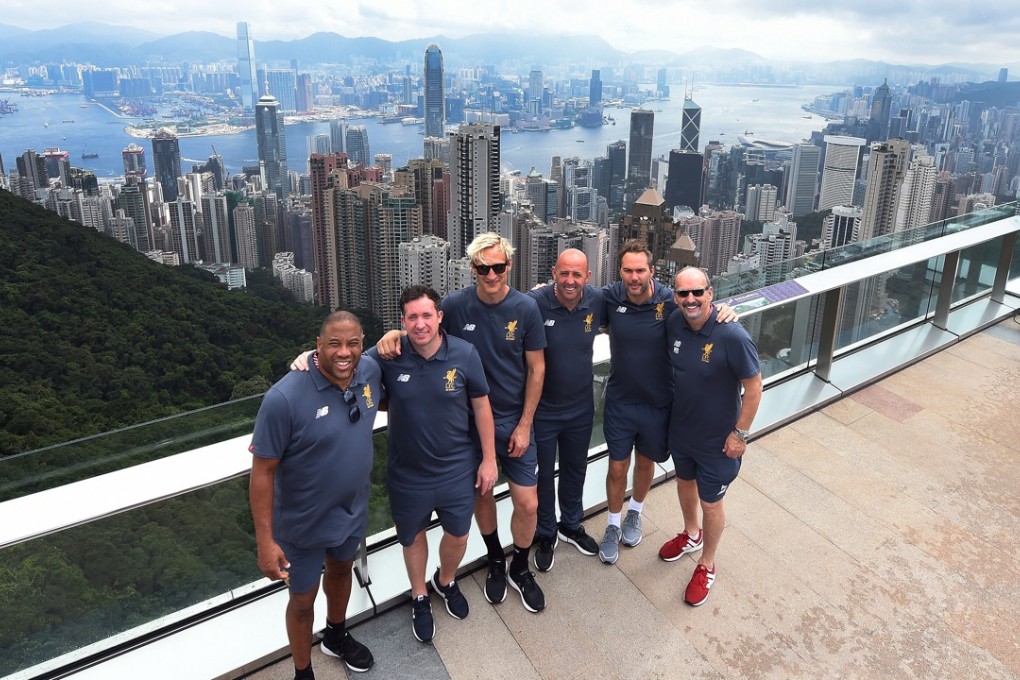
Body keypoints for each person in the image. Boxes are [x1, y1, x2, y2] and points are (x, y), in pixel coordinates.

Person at [376, 233, 548, 613]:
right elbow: (424, 329)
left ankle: (520, 565)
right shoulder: (454, 305)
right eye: (483, 267)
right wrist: (394, 333)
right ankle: (495, 560)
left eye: (498, 266)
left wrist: (524, 424)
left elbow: (537, 369)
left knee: (528, 502)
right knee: (481, 495)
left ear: (509, 266)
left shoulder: (526, 308)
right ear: (473, 269)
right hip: (467, 425)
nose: (491, 274)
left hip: (513, 418)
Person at [249, 311, 380, 679]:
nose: (344, 352)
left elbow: (410, 342)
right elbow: (262, 472)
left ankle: (336, 634)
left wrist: (399, 333)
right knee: (302, 600)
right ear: (317, 346)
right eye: (334, 344)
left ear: (362, 343)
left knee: (341, 570)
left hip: (351, 511)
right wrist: (264, 541)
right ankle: (302, 671)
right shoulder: (284, 398)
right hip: (300, 526)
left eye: (352, 343)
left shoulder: (369, 371)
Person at [368, 286, 498, 642]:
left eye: (427, 315)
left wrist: (489, 459)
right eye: (412, 317)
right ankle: (419, 596)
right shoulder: (388, 356)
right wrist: (310, 359)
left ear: (440, 317)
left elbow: (482, 407)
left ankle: (445, 581)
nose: (420, 324)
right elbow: (342, 364)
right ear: (402, 321)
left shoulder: (464, 353)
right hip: (408, 473)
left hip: (457, 467)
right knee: (412, 537)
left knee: (458, 534)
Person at [597, 242, 737, 565]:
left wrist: (726, 310)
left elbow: (698, 310)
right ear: (619, 272)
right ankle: (612, 523)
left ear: (652, 271)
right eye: (628, 270)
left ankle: (636, 512)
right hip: (620, 400)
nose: (634, 277)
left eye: (640, 270)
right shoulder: (608, 297)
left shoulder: (668, 301)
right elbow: (572, 297)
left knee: (645, 463)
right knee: (617, 467)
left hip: (659, 402)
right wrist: (541, 292)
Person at [658, 266, 762, 607]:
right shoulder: (674, 320)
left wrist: (740, 434)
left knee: (711, 502)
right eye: (683, 293)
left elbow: (754, 387)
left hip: (718, 442)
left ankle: (707, 563)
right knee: (684, 483)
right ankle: (691, 534)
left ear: (710, 294)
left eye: (697, 293)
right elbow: (640, 287)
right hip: (682, 430)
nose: (691, 299)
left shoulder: (732, 335)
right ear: (675, 297)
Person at [526, 249, 603, 571]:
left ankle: (571, 523)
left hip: (581, 407)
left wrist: (716, 309)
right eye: (564, 273)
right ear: (554, 272)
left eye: (577, 275)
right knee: (543, 475)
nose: (570, 281)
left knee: (576, 468)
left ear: (587, 277)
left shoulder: (598, 301)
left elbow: (645, 296)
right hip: (543, 410)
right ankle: (545, 532)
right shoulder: (533, 304)